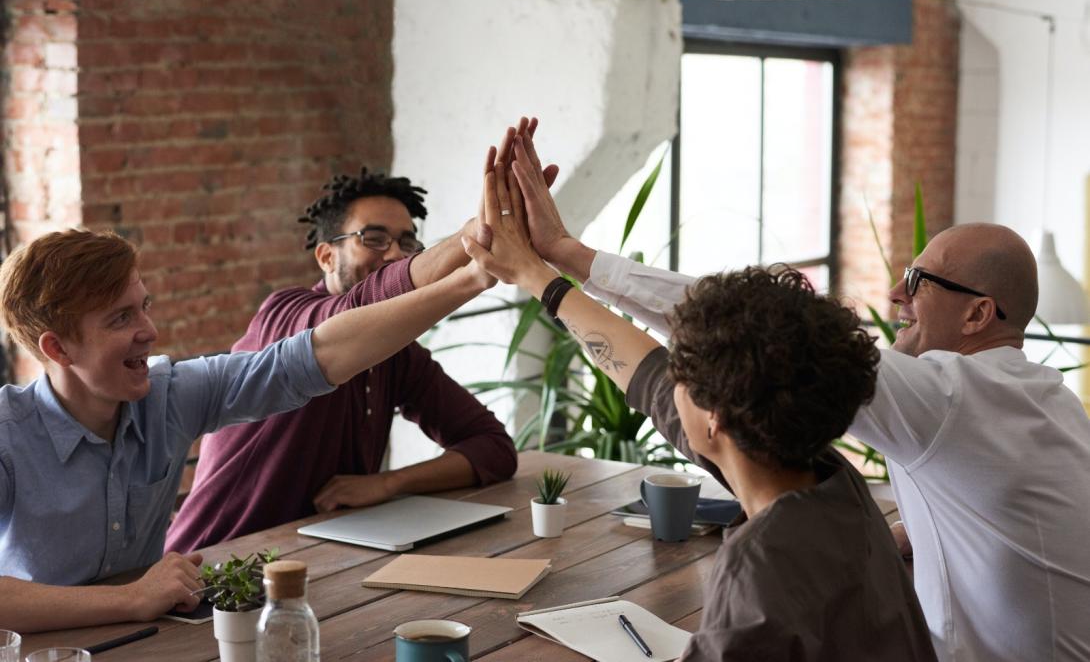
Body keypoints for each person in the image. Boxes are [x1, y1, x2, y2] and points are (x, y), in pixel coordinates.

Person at [504, 123, 1090, 661]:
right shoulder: (1039, 400)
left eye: (917, 280)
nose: (894, 293)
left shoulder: (948, 400)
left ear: (978, 315)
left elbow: (747, 331)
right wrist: (902, 539)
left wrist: (566, 263)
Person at [459, 140, 937, 660]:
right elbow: (647, 378)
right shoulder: (831, 482)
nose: (669, 379)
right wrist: (537, 274)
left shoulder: (763, 563)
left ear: (715, 419)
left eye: (681, 370)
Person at [0, 176, 495, 632]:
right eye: (120, 318)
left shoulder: (170, 395)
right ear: (58, 349)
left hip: (152, 640)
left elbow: (316, 356)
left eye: (145, 306)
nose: (149, 331)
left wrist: (472, 279)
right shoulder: (8, 433)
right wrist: (130, 598)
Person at [167, 122, 559, 551]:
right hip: (214, 568)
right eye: (373, 238)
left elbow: (494, 448)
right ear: (326, 255)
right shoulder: (285, 315)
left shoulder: (397, 355)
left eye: (408, 242)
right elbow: (360, 309)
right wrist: (474, 238)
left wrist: (388, 483)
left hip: (324, 562)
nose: (394, 252)